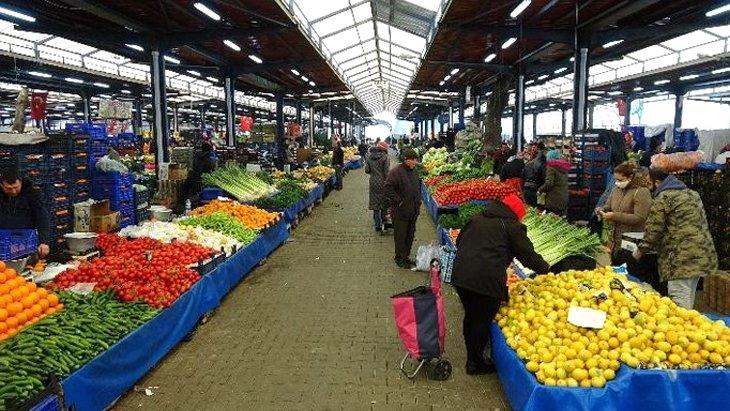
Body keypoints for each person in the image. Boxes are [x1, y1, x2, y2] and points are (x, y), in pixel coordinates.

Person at [450, 194, 550, 375]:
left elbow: (459, 241)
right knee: (481, 320)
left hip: (461, 275)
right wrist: (547, 270)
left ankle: (472, 356)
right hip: (485, 280)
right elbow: (528, 256)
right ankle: (475, 363)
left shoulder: (477, 218)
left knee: (471, 316)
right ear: (517, 213)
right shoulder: (512, 227)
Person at [634, 168, 718, 309]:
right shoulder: (692, 194)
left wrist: (640, 250)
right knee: (689, 292)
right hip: (702, 252)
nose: (650, 189)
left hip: (681, 257)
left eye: (650, 185)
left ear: (658, 182)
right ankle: (689, 324)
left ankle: (683, 328)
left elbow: (654, 229)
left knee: (679, 299)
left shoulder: (663, 198)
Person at [598, 162, 651, 262]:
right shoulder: (616, 189)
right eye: (615, 180)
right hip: (615, 241)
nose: (617, 182)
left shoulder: (642, 192)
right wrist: (602, 210)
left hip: (632, 243)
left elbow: (639, 217)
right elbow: (608, 205)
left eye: (620, 180)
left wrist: (614, 216)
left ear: (630, 177)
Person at [0, 167, 50, 258]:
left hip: (26, 243)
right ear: (1, 185)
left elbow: (42, 217)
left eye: (16, 187)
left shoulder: (31, 193)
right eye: (9, 188)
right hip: (3, 244)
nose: (13, 191)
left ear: (21, 182)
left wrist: (44, 241)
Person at [385, 148, 421, 268]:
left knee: (410, 235)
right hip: (400, 212)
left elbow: (417, 187)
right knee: (400, 236)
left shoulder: (414, 171)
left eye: (416, 160)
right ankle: (399, 258)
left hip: (413, 210)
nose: (415, 162)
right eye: (413, 160)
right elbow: (388, 188)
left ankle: (406, 256)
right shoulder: (396, 172)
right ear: (406, 160)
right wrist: (399, 201)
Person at [365, 141, 390, 232]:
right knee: (384, 202)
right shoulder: (385, 157)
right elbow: (386, 172)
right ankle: (384, 221)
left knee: (374, 203)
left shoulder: (369, 156)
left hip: (373, 182)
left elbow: (367, 170)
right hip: (383, 181)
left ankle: (377, 225)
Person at [184, 140, 217, 206]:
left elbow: (193, 166)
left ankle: (192, 204)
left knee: (195, 193)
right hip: (203, 179)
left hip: (195, 177)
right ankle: (195, 204)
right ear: (210, 149)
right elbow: (213, 169)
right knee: (200, 195)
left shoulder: (196, 156)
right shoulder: (210, 158)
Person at [538, 149, 570, 215]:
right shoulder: (564, 167)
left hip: (553, 199)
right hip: (563, 197)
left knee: (551, 220)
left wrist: (540, 190)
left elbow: (549, 183)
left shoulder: (551, 167)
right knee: (560, 219)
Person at [523, 141, 546, 206]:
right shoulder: (542, 160)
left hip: (526, 187)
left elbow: (523, 175)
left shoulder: (529, 163)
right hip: (535, 189)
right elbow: (544, 177)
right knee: (537, 208)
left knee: (528, 210)